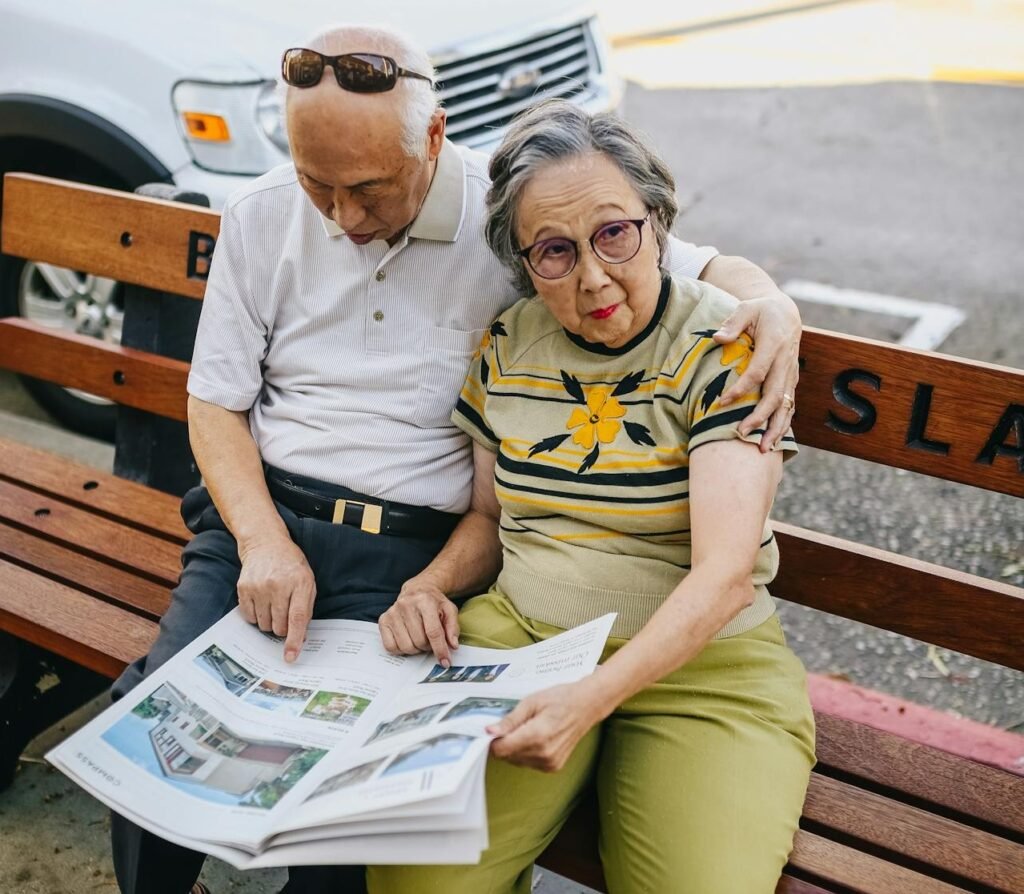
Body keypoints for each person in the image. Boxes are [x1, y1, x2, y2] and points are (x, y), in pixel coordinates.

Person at [108, 24, 803, 894]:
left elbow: (663, 262)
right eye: (317, 185)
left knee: (338, 827)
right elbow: (214, 402)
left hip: (410, 551)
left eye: (368, 188)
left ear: (434, 138)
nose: (343, 219)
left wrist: (772, 301)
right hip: (268, 525)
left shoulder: (519, 216)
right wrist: (262, 542)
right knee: (154, 735)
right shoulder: (269, 216)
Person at [373, 99, 815, 894]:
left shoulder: (726, 346)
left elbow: (723, 576)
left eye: (615, 233)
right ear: (522, 261)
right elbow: (486, 518)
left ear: (658, 222)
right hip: (523, 647)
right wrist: (428, 586)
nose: (594, 275)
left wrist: (592, 699)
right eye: (554, 251)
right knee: (413, 886)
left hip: (702, 671)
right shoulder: (508, 344)